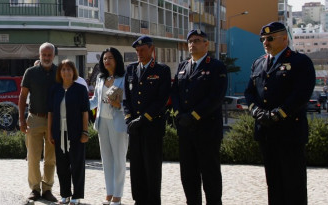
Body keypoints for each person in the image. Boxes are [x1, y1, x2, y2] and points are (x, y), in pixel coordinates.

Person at [245, 22, 315, 205]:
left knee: (294, 184)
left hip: (289, 132)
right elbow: (249, 92)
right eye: (263, 39)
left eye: (270, 38)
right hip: (266, 133)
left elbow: (301, 94)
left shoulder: (300, 62)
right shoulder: (259, 63)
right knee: (273, 183)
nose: (265, 42)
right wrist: (257, 112)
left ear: (285, 38)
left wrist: (278, 113)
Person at [170, 29, 228, 205]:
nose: (192, 44)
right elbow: (175, 93)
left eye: (197, 40)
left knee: (210, 174)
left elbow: (215, 97)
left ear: (206, 44)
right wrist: (179, 114)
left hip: (207, 129)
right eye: (190, 41)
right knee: (188, 175)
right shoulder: (182, 66)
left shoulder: (216, 66)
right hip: (186, 130)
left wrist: (194, 115)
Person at [124, 35, 171, 205]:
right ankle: (139, 199)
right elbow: (126, 99)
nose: (139, 53)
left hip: (152, 126)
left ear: (152, 49)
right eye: (137, 51)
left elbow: (161, 99)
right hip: (135, 128)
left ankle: (152, 201)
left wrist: (143, 119)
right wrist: (129, 118)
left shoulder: (161, 70)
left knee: (152, 167)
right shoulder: (131, 69)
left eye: (143, 50)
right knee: (136, 167)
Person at [18, 42, 59, 202]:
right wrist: (21, 119)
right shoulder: (30, 72)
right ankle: (34, 189)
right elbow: (22, 96)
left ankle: (47, 189)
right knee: (33, 157)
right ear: (39, 55)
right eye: (44, 55)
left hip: (53, 121)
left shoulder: (59, 72)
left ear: (53, 55)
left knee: (51, 158)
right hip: (34, 119)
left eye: (49, 55)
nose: (47, 58)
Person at [47, 60, 89, 205]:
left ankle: (77, 195)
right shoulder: (55, 89)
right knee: (62, 166)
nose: (66, 72)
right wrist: (50, 133)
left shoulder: (80, 89)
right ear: (60, 72)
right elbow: (51, 113)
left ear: (74, 72)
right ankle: (65, 194)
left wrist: (85, 132)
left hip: (76, 133)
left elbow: (85, 112)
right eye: (63, 69)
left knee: (77, 165)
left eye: (69, 69)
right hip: (59, 133)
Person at [90, 48, 127, 205]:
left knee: (119, 159)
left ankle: (118, 195)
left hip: (118, 122)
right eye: (104, 58)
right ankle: (109, 192)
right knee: (106, 160)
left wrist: (119, 105)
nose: (107, 61)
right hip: (102, 122)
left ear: (117, 60)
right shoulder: (100, 78)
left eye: (110, 58)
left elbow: (128, 102)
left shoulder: (124, 78)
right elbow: (95, 100)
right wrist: (78, 106)